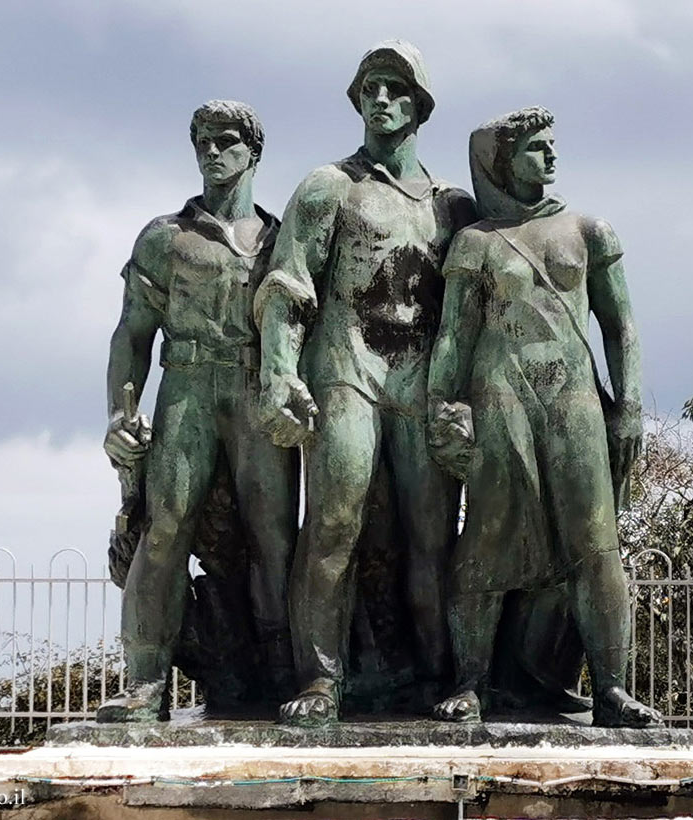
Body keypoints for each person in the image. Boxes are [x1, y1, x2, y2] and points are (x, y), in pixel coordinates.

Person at [256, 40, 476, 725]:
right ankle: (321, 678)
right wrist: (278, 374)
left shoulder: (454, 208)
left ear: (421, 106)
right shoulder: (330, 185)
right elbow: (289, 286)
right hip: (346, 369)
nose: (381, 99)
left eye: (396, 88)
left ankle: (442, 674)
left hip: (421, 381)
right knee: (334, 524)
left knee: (433, 535)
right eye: (371, 88)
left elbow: (480, 316)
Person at [427, 106, 662, 727]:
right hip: (498, 394)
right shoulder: (475, 241)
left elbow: (621, 325)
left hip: (574, 398)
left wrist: (630, 404)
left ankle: (612, 687)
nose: (550, 156)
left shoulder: (589, 229)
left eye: (552, 144)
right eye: (535, 147)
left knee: (595, 542)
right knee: (487, 535)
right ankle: (471, 681)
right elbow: (454, 337)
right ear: (503, 162)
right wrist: (443, 409)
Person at [98, 100, 298, 722]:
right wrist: (117, 415)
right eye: (203, 141)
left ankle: (279, 668)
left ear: (254, 152)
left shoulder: (281, 239)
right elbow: (132, 335)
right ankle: (146, 679)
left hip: (255, 390)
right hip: (184, 386)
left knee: (274, 539)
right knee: (167, 527)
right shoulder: (166, 237)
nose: (213, 151)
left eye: (227, 140)